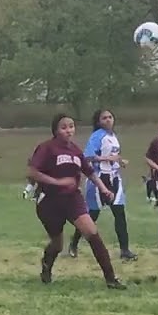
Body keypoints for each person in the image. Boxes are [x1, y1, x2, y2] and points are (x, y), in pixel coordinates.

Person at [28, 114, 127, 289]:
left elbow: (89, 172)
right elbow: (33, 172)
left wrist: (104, 189)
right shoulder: (46, 148)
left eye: (71, 126)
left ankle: (111, 279)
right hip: (49, 202)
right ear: (56, 130)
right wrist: (57, 182)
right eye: (64, 127)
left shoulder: (75, 150)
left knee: (92, 233)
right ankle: (46, 265)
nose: (68, 130)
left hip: (72, 199)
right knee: (57, 244)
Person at [68, 109, 137, 260]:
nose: (108, 120)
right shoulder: (97, 136)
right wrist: (108, 159)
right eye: (104, 118)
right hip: (99, 179)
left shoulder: (113, 136)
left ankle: (125, 250)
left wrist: (120, 161)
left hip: (114, 178)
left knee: (119, 213)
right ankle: (74, 243)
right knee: (91, 216)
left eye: (110, 117)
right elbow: (87, 157)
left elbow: (112, 156)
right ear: (98, 121)